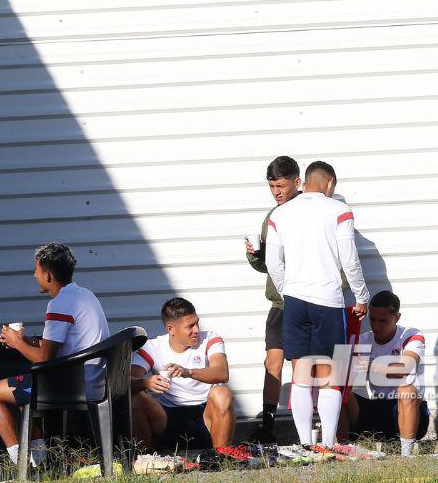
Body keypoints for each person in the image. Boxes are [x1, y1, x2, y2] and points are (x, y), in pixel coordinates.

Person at [266, 161, 370, 447]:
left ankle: (304, 444)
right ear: (330, 183)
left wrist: (288, 289)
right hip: (327, 300)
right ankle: (326, 443)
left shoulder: (280, 213)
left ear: (303, 182)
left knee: (300, 371)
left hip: (295, 300)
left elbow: (272, 261)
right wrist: (362, 295)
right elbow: (349, 258)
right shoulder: (339, 210)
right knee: (328, 374)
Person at [0, 243, 109, 467]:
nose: (34, 275)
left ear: (48, 275)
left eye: (36, 270)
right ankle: (39, 464)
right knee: (23, 391)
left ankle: (20, 464)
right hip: (95, 379)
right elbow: (61, 344)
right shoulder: (85, 295)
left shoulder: (59, 304)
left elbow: (43, 359)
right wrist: (27, 341)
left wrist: (16, 342)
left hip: (73, 386)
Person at [245, 156, 301, 442]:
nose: (276, 192)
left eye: (281, 185)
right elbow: (267, 265)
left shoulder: (308, 211)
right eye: (271, 187)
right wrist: (255, 254)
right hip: (279, 304)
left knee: (305, 364)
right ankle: (267, 425)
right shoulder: (272, 216)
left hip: (306, 301)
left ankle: (312, 427)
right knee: (272, 362)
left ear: (297, 182)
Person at [131, 297, 235, 451]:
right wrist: (146, 383)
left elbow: (222, 373)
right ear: (170, 329)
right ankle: (145, 459)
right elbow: (125, 382)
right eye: (190, 326)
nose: (196, 330)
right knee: (136, 398)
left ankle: (221, 457)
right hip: (168, 417)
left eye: (197, 323)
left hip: (206, 415)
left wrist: (188, 372)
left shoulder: (210, 339)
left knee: (222, 392)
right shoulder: (152, 347)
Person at [342, 290, 429, 456]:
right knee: (339, 392)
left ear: (397, 318)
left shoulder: (411, 335)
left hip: (411, 411)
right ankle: (340, 448)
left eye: (382, 321)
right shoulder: (363, 340)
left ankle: (406, 456)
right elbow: (348, 380)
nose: (376, 326)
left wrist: (370, 366)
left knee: (406, 391)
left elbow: (404, 368)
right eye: (372, 320)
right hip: (378, 407)